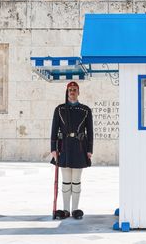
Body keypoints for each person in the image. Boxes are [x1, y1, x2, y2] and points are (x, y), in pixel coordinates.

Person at [50, 81, 93, 220]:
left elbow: (90, 132)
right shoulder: (60, 109)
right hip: (64, 147)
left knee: (76, 180)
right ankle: (66, 209)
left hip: (80, 148)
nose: (72, 92)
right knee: (66, 180)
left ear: (78, 92)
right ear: (67, 92)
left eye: (75, 89)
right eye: (70, 90)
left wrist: (89, 150)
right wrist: (53, 149)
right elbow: (54, 130)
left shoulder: (85, 110)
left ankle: (75, 209)